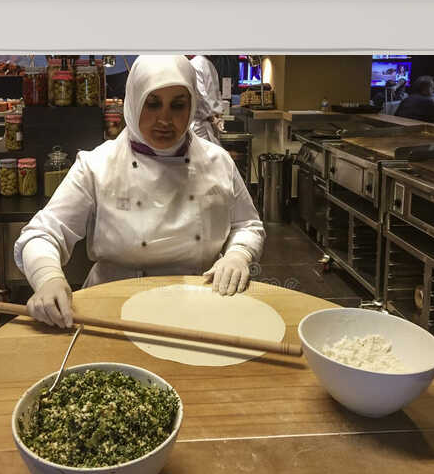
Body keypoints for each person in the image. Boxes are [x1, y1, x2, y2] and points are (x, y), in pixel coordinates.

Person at [15, 55, 266, 328]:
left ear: (192, 105)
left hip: (199, 302)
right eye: (152, 103)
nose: (165, 119)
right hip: (112, 307)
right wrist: (48, 278)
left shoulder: (217, 162)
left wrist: (237, 254)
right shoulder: (97, 165)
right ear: (134, 101)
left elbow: (248, 224)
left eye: (178, 105)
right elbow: (42, 233)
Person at [187, 54, 225, 144]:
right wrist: (214, 118)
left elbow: (212, 94)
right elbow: (200, 95)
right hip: (200, 125)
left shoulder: (207, 64)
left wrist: (217, 117)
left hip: (208, 122)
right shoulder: (197, 64)